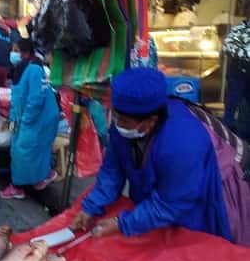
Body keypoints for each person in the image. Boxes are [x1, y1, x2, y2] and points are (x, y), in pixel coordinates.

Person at [71, 67, 250, 246]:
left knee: (194, 249)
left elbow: (171, 202)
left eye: (123, 120)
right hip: (170, 196)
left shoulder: (182, 143)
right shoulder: (124, 125)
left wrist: (123, 223)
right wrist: (91, 207)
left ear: (151, 121)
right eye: (115, 116)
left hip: (206, 192)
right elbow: (113, 169)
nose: (117, 124)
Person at [0, 38, 60, 199]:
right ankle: (39, 178)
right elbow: (17, 96)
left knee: (23, 149)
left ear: (24, 52)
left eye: (15, 50)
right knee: (28, 148)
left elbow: (35, 98)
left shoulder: (34, 69)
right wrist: (13, 119)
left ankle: (18, 187)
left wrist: (26, 120)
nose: (13, 53)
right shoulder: (20, 68)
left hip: (41, 117)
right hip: (31, 116)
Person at [222, 17, 250, 140]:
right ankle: (226, 137)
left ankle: (245, 138)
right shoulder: (239, 28)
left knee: (246, 108)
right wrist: (245, 54)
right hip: (239, 73)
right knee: (232, 106)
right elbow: (227, 46)